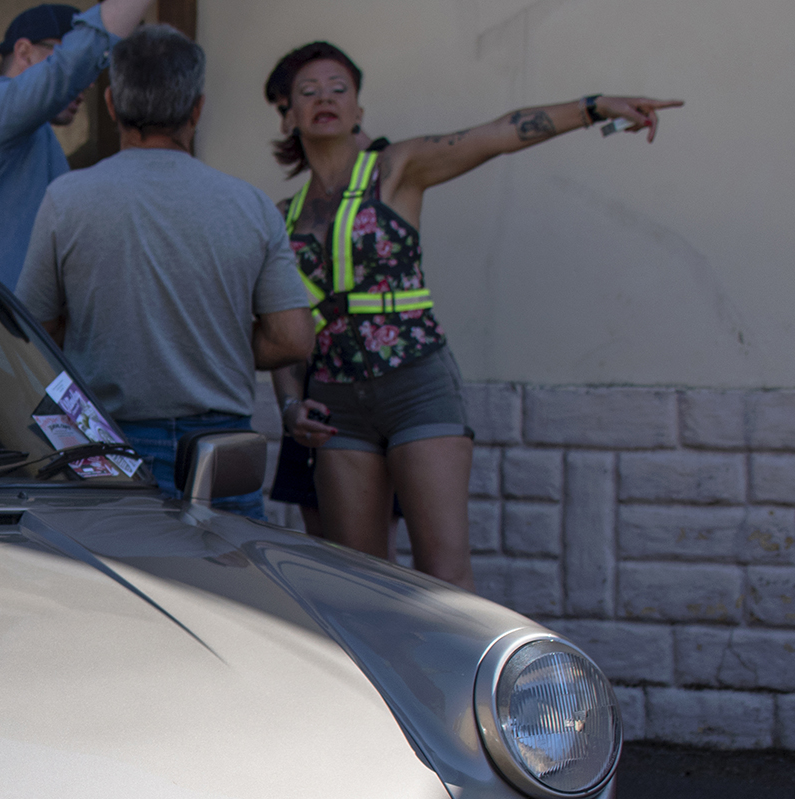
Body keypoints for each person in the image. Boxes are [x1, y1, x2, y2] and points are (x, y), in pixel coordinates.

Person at [263, 41, 681, 588]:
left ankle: (460, 679)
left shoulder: (396, 168)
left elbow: (498, 134)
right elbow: (284, 330)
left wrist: (595, 108)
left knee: (444, 577)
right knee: (359, 586)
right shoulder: (281, 219)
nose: (325, 98)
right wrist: (291, 407)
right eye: (308, 91)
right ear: (289, 114)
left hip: (417, 386)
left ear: (359, 111)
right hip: (337, 404)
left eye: (339, 89)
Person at [16, 25, 312, 518]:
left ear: (111, 105)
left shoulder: (67, 199)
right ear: (196, 109)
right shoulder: (250, 205)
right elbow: (294, 339)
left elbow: (32, 333)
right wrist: (215, 336)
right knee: (229, 589)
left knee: (114, 590)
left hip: (105, 440)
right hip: (223, 448)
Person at [0, 1, 149, 285]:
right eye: (63, 48)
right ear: (24, 52)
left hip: (3, 326)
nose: (89, 83)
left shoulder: (38, 136)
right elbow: (67, 70)